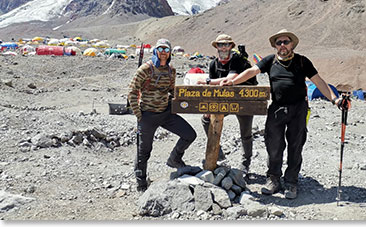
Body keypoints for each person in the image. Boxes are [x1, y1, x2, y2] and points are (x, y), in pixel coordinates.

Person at [221, 29, 341, 199]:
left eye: (286, 42)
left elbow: (318, 81)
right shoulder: (270, 61)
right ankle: (273, 179)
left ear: (292, 44)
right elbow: (252, 71)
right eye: (279, 43)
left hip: (299, 109)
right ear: (275, 46)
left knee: (295, 145)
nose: (282, 45)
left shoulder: (302, 61)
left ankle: (291, 182)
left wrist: (335, 99)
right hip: (277, 109)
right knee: (274, 146)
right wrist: (232, 81)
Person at [128, 38, 197, 192]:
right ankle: (141, 183)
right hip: (147, 115)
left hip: (166, 113)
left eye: (167, 50)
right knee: (144, 151)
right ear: (155, 51)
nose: (164, 53)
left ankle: (175, 159)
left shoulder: (171, 70)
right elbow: (132, 92)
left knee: (190, 134)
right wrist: (139, 114)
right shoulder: (145, 69)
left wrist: (183, 100)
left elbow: (172, 91)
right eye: (161, 49)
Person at [197, 34, 257, 172]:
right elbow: (212, 88)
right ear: (216, 47)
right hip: (225, 101)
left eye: (226, 44)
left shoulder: (237, 60)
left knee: (245, 133)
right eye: (220, 44)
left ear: (231, 46)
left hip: (244, 101)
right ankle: (219, 156)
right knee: (206, 120)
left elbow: (231, 78)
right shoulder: (213, 64)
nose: (223, 47)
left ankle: (245, 163)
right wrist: (208, 106)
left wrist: (206, 81)